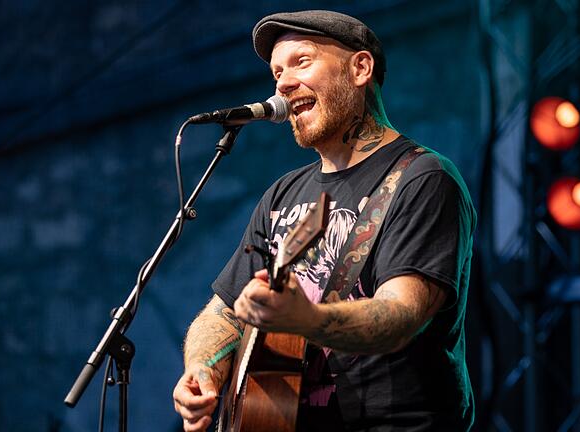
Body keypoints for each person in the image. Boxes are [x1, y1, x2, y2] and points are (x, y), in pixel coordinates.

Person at [172, 10, 476, 432]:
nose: (281, 82)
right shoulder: (282, 194)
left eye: (302, 61)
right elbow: (224, 313)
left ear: (360, 68)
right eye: (277, 71)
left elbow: (401, 315)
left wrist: (308, 321)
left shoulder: (422, 178)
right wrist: (203, 369)